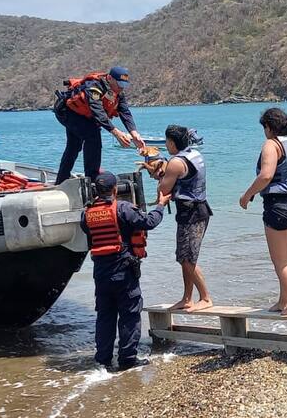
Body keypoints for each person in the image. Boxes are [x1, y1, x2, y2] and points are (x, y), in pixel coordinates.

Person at [82, 171, 170, 371]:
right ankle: (127, 358)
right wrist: (160, 205)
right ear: (115, 190)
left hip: (101, 273)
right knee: (130, 314)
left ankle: (103, 360)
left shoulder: (86, 213)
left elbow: (88, 232)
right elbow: (149, 222)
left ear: (96, 191)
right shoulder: (123, 208)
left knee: (105, 316)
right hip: (123, 271)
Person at [238, 108, 287, 315]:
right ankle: (284, 301)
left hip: (279, 207)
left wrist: (246, 196)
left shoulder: (272, 145)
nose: (264, 132)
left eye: (264, 127)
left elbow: (266, 176)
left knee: (280, 261)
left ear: (270, 127)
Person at [54, 66, 145, 184]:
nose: (121, 88)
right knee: (92, 137)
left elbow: (124, 111)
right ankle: (92, 179)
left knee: (74, 147)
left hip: (85, 115)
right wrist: (116, 132)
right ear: (110, 78)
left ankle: (61, 180)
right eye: (119, 84)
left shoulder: (117, 91)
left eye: (124, 85)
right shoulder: (94, 87)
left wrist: (134, 133)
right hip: (68, 112)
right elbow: (98, 111)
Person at [157, 125, 213, 312]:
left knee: (187, 258)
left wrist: (159, 177)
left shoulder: (176, 162)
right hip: (200, 210)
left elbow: (163, 190)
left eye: (166, 141)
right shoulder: (195, 154)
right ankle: (188, 298)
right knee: (185, 257)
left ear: (172, 142)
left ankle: (204, 297)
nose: (166, 145)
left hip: (191, 214)